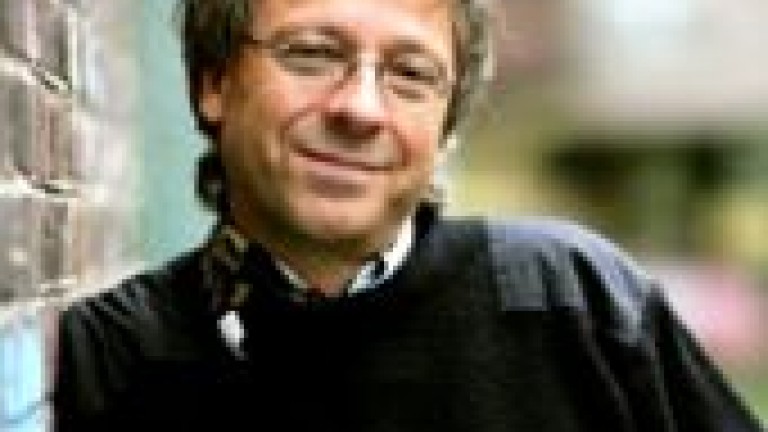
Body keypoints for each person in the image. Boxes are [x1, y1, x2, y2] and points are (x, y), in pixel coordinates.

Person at [52, 0, 764, 430]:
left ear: (445, 124)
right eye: (313, 54)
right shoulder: (107, 357)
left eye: (411, 75)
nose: (361, 108)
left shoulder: (573, 303)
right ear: (215, 81)